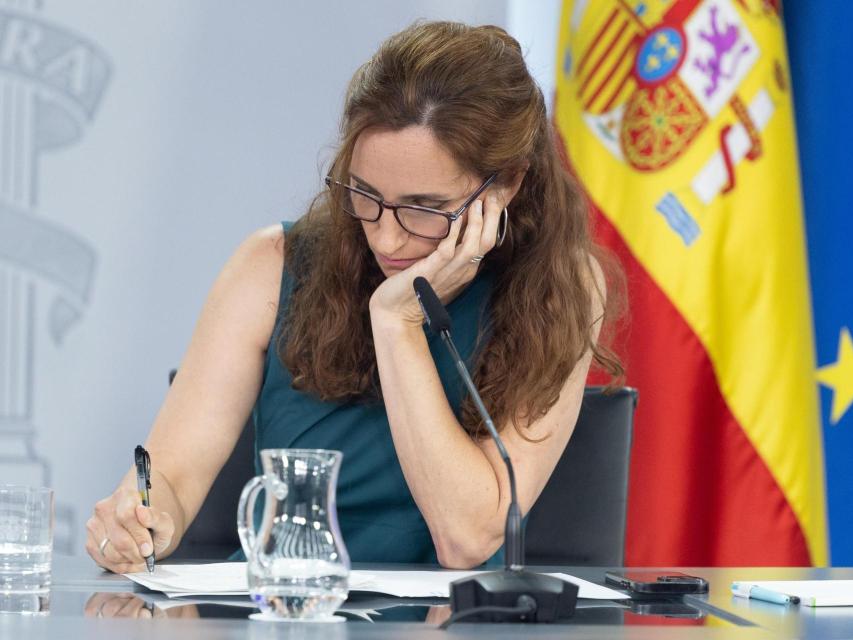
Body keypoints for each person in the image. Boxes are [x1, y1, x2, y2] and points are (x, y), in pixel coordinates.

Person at [85, 20, 622, 574]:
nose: (386, 237)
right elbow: (170, 477)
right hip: (285, 614)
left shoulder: (562, 290)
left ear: (505, 184)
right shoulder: (270, 265)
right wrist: (142, 517)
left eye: (424, 208)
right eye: (364, 195)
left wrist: (398, 324)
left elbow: (467, 539)